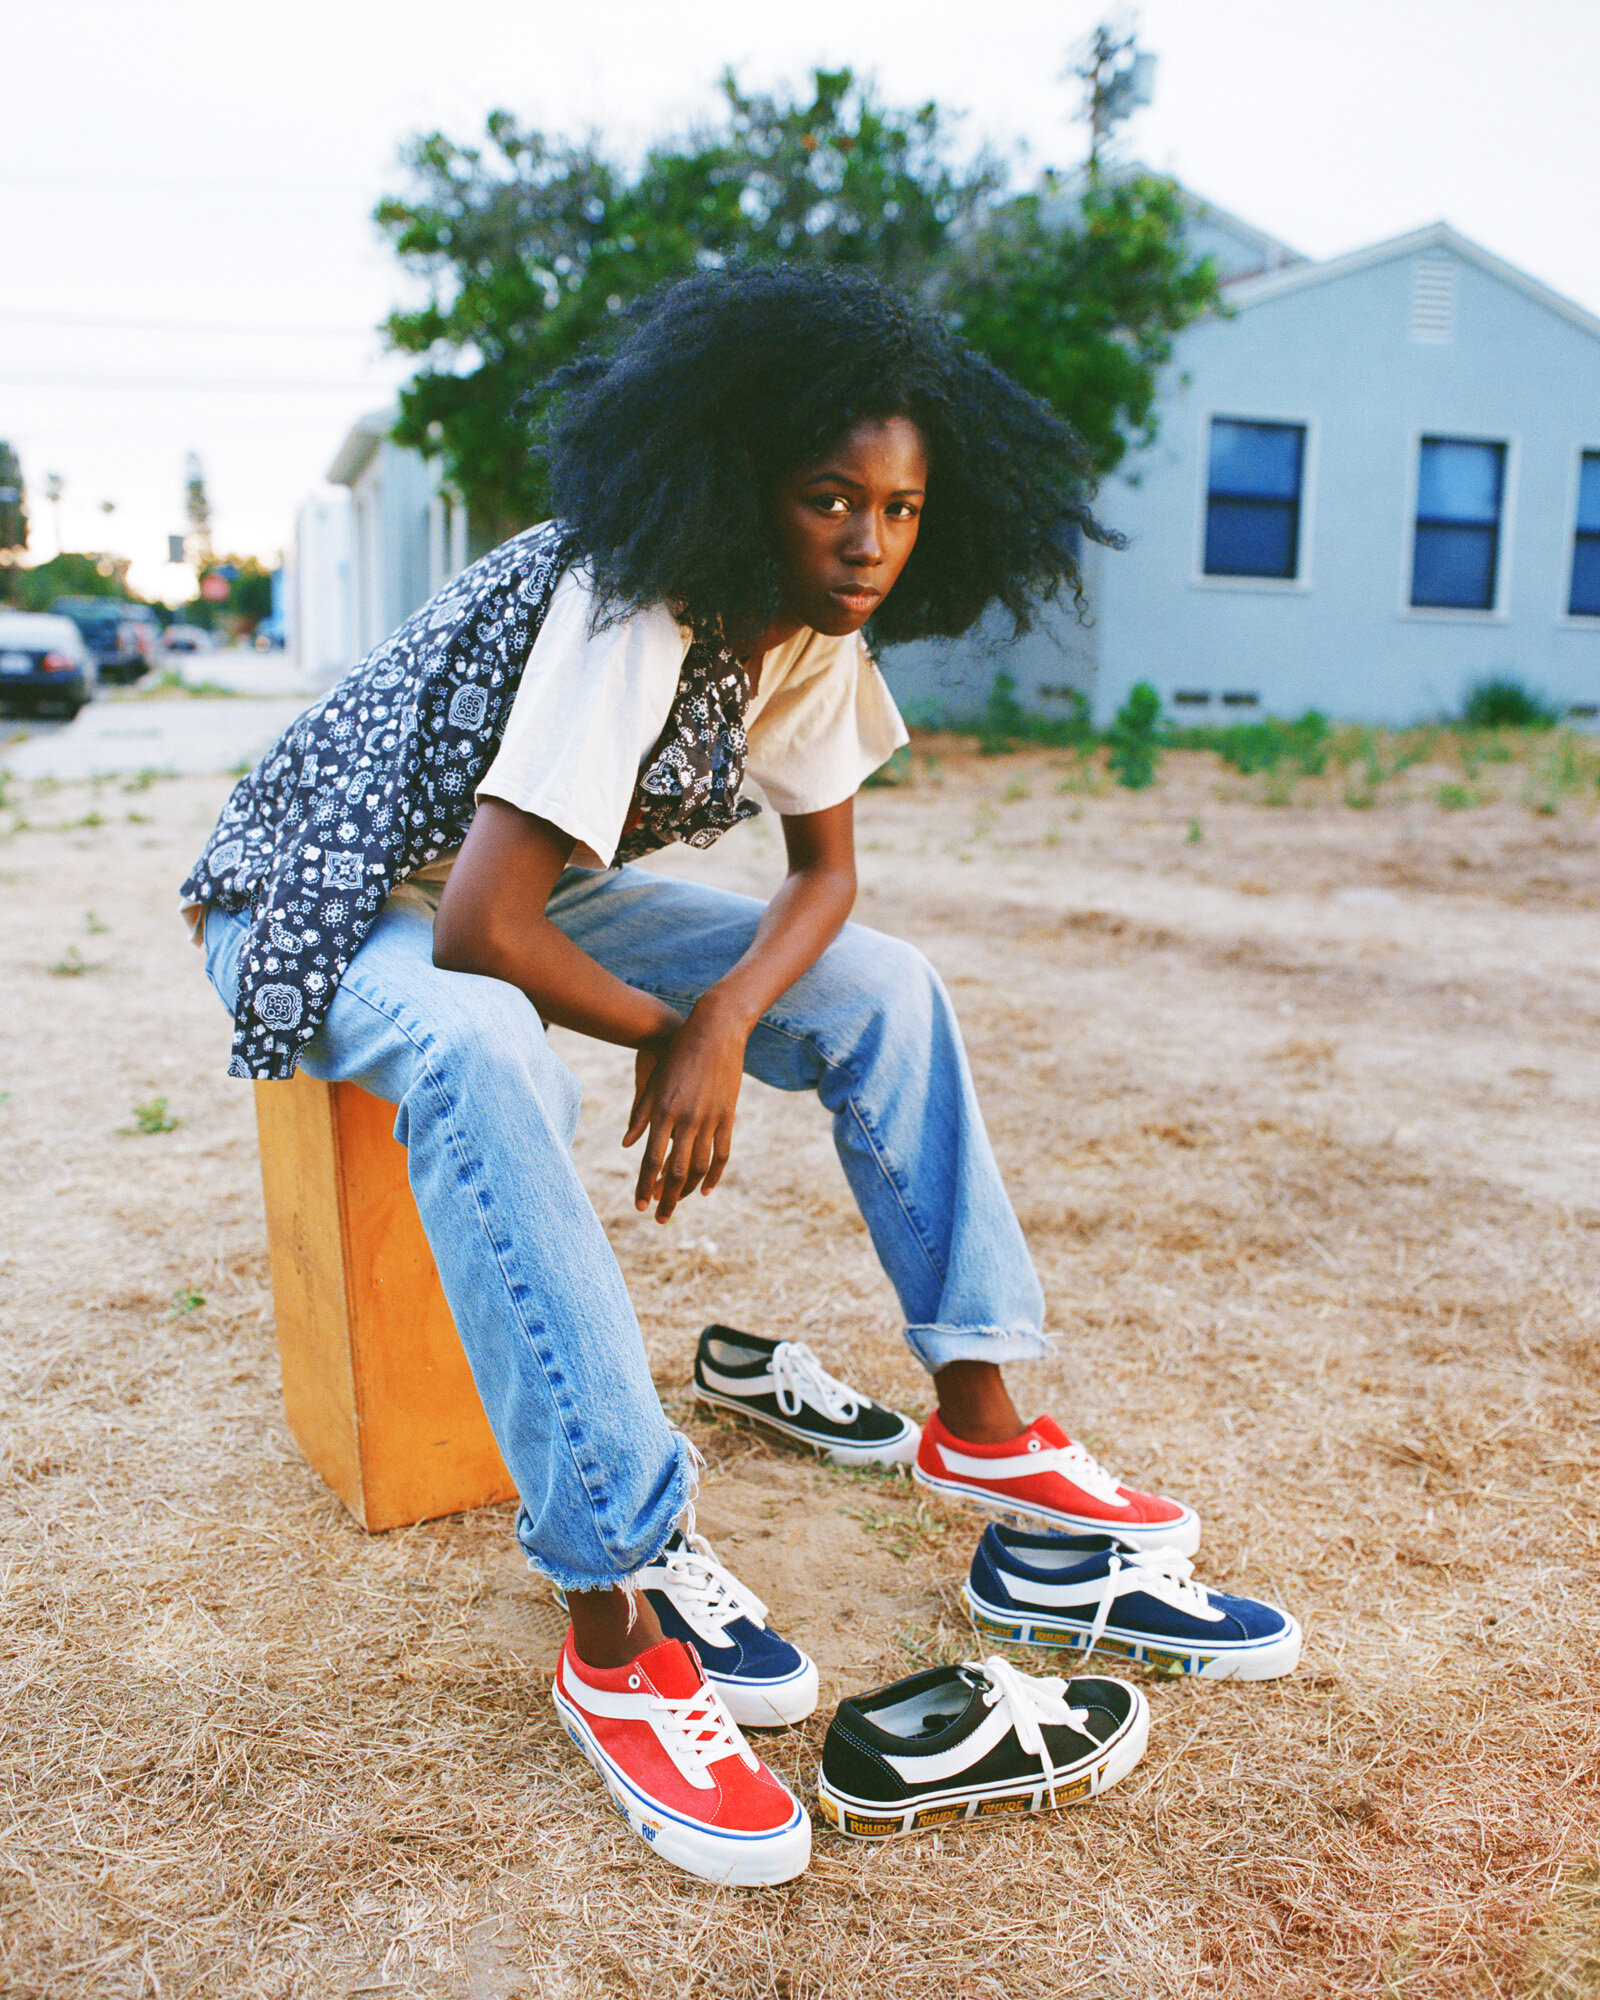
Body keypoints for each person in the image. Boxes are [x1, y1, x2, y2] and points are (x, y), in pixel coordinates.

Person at [183, 266, 1198, 1887]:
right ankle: (616, 1609)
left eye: (902, 509)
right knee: (483, 1047)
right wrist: (670, 1035)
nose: (868, 540)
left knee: (882, 991)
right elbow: (481, 928)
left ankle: (986, 1416)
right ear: (745, 490)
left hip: (501, 885)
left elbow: (827, 889)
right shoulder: (636, 602)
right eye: (829, 499)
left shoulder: (808, 633)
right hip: (320, 891)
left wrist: (722, 1023)